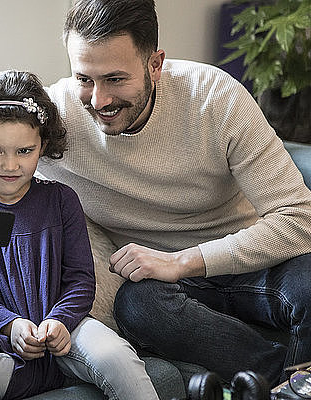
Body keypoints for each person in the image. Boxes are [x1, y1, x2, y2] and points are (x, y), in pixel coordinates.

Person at [37, 0, 311, 388]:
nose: (98, 100)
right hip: (166, 292)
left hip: (253, 262)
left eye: (115, 79)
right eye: (84, 79)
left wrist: (182, 261)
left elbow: (299, 218)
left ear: (155, 64)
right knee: (136, 306)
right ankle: (284, 382)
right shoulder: (55, 118)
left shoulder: (215, 99)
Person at [0, 70, 159, 400]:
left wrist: (60, 320)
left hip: (67, 329)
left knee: (117, 356)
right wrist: (10, 324)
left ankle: (62, 376)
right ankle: (54, 384)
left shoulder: (61, 200)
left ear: (42, 145)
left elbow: (81, 279)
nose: (10, 165)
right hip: (0, 336)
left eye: (24, 151)